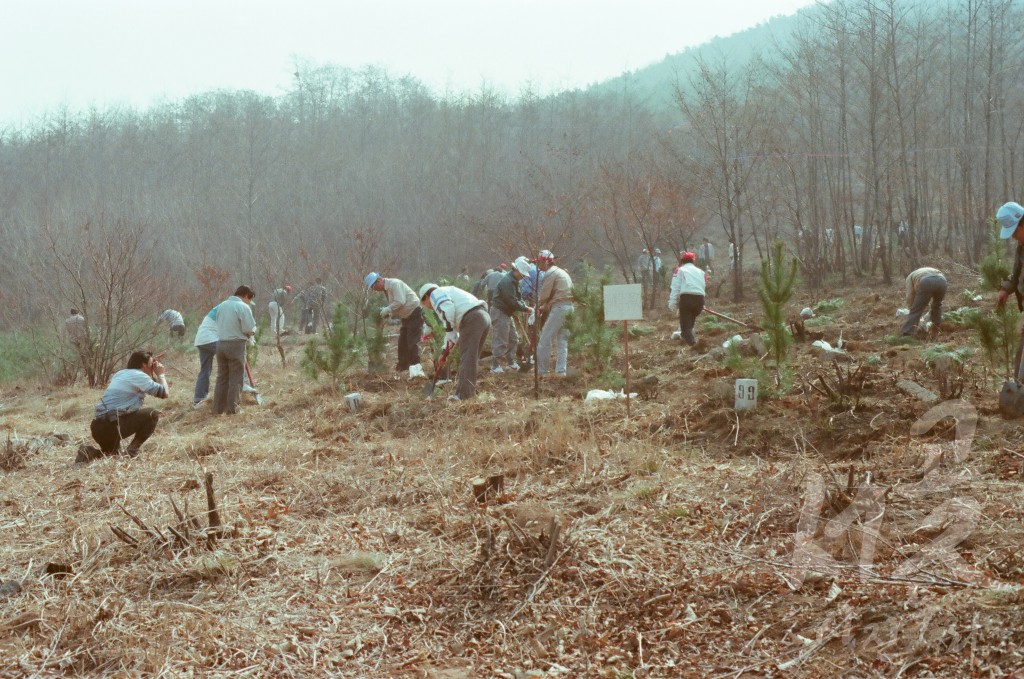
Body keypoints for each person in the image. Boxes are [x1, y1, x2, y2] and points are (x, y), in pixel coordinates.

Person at [75, 350, 169, 463]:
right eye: (151, 364)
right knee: (152, 413)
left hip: (97, 428)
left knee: (111, 455)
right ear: (143, 365)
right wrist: (160, 374)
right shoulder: (139, 376)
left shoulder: (120, 373)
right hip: (113, 426)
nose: (153, 366)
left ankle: (88, 452)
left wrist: (151, 365)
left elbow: (150, 385)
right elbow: (164, 393)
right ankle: (131, 452)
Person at [419, 283, 490, 401]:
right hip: (483, 317)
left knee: (467, 358)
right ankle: (468, 393)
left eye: (425, 304)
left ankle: (463, 395)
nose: (428, 307)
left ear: (426, 296)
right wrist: (444, 351)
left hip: (472, 319)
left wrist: (448, 339)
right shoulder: (449, 292)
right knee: (471, 358)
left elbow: (448, 310)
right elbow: (452, 336)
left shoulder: (435, 294)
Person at [365, 272, 425, 375]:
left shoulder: (394, 284)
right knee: (402, 343)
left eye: (374, 287)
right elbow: (395, 306)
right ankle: (402, 367)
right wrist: (387, 316)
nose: (375, 290)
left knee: (412, 342)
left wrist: (388, 309)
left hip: (415, 314)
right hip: (406, 317)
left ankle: (416, 370)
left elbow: (400, 301)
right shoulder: (387, 289)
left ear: (378, 281)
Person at [212, 285, 257, 415]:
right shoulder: (243, 307)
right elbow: (249, 328)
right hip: (236, 345)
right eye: (249, 299)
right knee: (236, 378)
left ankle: (217, 409)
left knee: (222, 377)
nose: (249, 302)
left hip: (220, 344)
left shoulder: (222, 305)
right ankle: (233, 409)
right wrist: (252, 333)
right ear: (245, 296)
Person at [533, 250, 574, 377]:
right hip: (569, 307)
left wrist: (536, 306)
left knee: (544, 339)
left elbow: (544, 295)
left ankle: (542, 372)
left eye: (539, 262)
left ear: (546, 261)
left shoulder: (551, 273)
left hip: (559, 307)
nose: (538, 265)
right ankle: (561, 372)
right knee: (562, 341)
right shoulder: (562, 272)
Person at [996, 201, 1024, 379]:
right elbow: (1016, 275)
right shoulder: (1021, 248)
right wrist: (1005, 289)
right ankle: (1019, 388)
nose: (1013, 237)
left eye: (1014, 231)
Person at [490, 257, 533, 373]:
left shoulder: (515, 282)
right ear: (516, 270)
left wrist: (525, 306)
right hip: (500, 312)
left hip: (507, 312)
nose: (523, 276)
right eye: (522, 274)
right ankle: (495, 365)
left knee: (513, 338)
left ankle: (510, 363)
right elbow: (511, 301)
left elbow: (519, 298)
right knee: (501, 339)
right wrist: (525, 308)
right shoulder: (507, 282)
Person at [669, 251, 708, 347]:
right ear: (693, 261)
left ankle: (695, 346)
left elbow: (675, 287)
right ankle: (688, 342)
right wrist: (702, 304)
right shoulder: (701, 272)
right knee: (689, 326)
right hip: (700, 299)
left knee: (686, 329)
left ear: (682, 261)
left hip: (687, 299)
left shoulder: (680, 270)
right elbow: (703, 286)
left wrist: (672, 302)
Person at [901, 267, 947, 337]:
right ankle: (935, 332)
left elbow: (910, 295)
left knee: (916, 309)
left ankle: (907, 333)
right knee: (937, 306)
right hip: (942, 281)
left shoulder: (909, 278)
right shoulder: (923, 271)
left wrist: (911, 308)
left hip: (926, 281)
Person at [192, 305, 220, 409]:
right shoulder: (230, 308)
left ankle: (198, 399)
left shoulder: (217, 309)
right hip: (211, 339)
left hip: (201, 340)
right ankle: (223, 398)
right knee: (231, 362)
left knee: (205, 370)